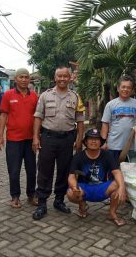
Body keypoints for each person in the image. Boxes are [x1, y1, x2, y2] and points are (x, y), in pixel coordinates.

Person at [32, 66, 85, 220]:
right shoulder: (45, 96)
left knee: (64, 170)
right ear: (55, 78)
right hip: (48, 138)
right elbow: (38, 117)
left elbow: (80, 121)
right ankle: (42, 202)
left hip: (67, 139)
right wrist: (36, 137)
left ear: (70, 78)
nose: (62, 79)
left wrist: (79, 140)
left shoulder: (75, 97)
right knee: (44, 170)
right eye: (59, 76)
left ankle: (59, 200)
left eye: (65, 76)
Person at [66, 128, 127, 226]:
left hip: (102, 188)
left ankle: (112, 213)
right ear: (85, 141)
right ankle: (82, 206)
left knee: (118, 184)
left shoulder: (107, 155)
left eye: (96, 139)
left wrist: (122, 188)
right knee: (70, 192)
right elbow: (71, 176)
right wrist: (74, 187)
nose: (93, 141)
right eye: (90, 138)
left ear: (100, 142)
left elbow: (117, 172)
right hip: (84, 190)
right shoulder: (78, 156)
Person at [0, 68, 39, 208]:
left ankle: (31, 195)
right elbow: (3, 115)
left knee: (32, 169)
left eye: (26, 77)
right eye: (21, 77)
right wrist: (0, 136)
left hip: (30, 140)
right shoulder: (8, 95)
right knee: (14, 170)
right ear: (15, 79)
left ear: (29, 79)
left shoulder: (34, 96)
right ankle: (15, 196)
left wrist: (36, 137)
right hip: (13, 139)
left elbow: (38, 118)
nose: (24, 79)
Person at [101, 75, 136, 161]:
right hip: (113, 146)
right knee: (113, 172)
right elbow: (105, 124)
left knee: (128, 172)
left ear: (132, 90)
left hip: (131, 146)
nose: (125, 89)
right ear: (118, 88)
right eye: (123, 87)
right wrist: (103, 142)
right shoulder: (110, 104)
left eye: (129, 87)